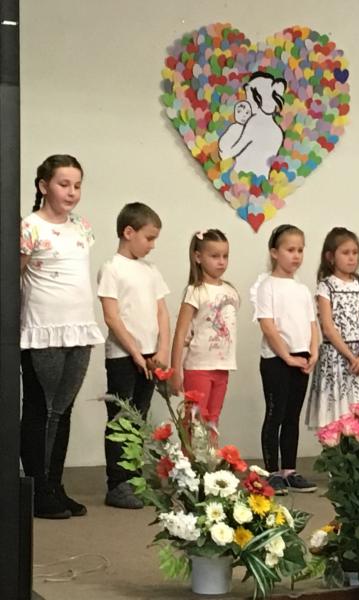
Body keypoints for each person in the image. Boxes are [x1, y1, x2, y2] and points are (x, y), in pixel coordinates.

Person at [20, 155, 105, 518]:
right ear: (44, 186)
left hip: (78, 328)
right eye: (63, 184)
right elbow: (15, 277)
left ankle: (55, 485)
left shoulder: (81, 226)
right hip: (43, 330)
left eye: (77, 185)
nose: (71, 192)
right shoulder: (29, 227)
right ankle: (36, 490)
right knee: (40, 409)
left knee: (63, 409)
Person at [98, 202, 170, 508]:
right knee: (121, 419)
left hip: (150, 355)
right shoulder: (112, 268)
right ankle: (117, 483)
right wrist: (135, 353)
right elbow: (112, 317)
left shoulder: (151, 270)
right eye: (149, 238)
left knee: (139, 416)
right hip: (123, 356)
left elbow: (162, 312)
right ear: (129, 232)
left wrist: (162, 349)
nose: (152, 245)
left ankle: (134, 477)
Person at [251, 224, 319, 494]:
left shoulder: (302, 290)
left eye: (300, 250)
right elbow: (268, 326)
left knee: (292, 416)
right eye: (290, 250)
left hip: (301, 358)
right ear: (274, 252)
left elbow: (312, 324)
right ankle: (271, 473)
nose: (296, 255)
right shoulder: (266, 286)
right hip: (276, 359)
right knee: (275, 415)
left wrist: (313, 351)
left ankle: (289, 470)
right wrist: (287, 356)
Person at [169, 229, 239, 438]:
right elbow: (180, 333)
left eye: (225, 256)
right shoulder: (195, 291)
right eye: (215, 256)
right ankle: (190, 459)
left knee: (213, 420)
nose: (221, 262)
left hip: (222, 366)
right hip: (198, 366)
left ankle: (211, 458)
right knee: (194, 420)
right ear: (198, 257)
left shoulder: (230, 291)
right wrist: (175, 371)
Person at [306, 227, 359, 428]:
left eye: (355, 252)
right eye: (345, 253)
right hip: (336, 357)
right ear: (330, 257)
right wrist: (351, 358)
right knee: (337, 415)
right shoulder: (326, 286)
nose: (352, 257)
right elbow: (328, 328)